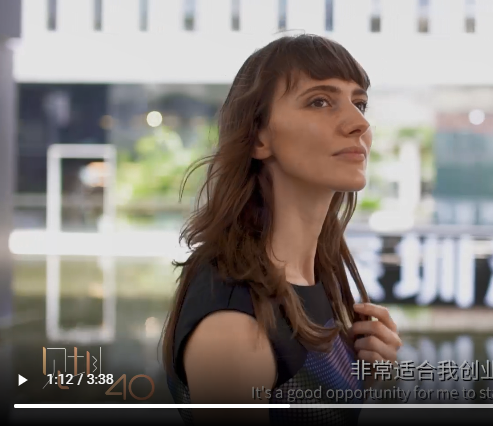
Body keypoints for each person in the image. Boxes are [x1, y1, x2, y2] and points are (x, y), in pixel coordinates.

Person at [161, 33, 402, 425]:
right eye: (320, 101)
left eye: (359, 103)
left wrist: (361, 376)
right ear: (259, 136)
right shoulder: (234, 323)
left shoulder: (322, 275)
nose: (359, 123)